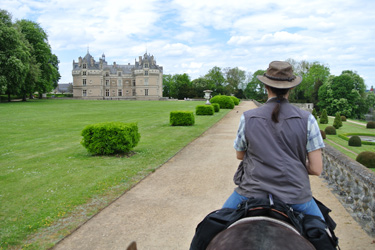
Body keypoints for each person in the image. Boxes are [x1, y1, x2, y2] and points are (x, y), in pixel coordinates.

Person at [223, 61, 325, 221]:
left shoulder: (248, 117)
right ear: (291, 88)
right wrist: (293, 162)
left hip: (252, 193)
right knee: (326, 237)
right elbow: (316, 168)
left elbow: (240, 155)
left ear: (266, 86)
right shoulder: (308, 119)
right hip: (296, 196)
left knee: (211, 228)